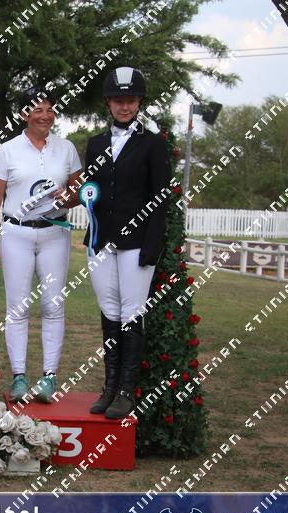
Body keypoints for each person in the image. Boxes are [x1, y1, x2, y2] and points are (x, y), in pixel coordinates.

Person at [83, 67, 172, 419]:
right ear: (108, 102)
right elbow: (92, 192)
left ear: (139, 102)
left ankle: (126, 390)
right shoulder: (95, 144)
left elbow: (160, 198)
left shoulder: (153, 143)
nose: (124, 106)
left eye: (131, 100)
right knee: (109, 311)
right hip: (100, 241)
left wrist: (152, 245)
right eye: (118, 100)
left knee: (131, 313)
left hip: (136, 243)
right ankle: (109, 386)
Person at [0, 86, 82, 404]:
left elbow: (80, 190)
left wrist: (69, 197)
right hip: (16, 233)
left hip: (55, 234)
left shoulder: (66, 148)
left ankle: (49, 378)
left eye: (50, 109)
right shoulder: (8, 150)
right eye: (38, 109)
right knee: (18, 307)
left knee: (53, 304)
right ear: (25, 114)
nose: (45, 115)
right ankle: (19, 378)